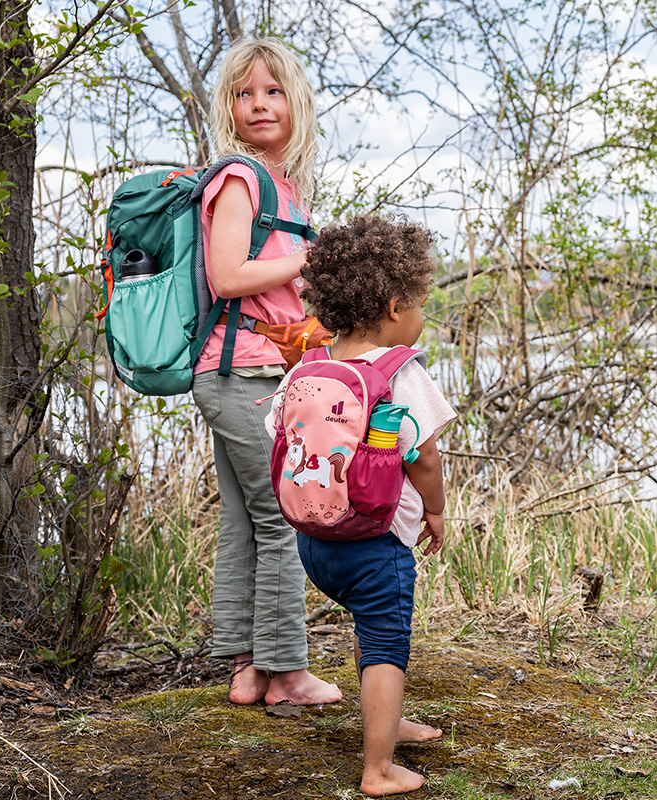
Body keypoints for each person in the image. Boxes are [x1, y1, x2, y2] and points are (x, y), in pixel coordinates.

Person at [266, 215, 457, 796]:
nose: (422, 315)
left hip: (314, 541)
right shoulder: (401, 374)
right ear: (396, 307)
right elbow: (422, 457)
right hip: (376, 546)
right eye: (420, 303)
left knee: (368, 630)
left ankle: (387, 719)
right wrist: (436, 508)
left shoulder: (308, 367)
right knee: (385, 644)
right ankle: (378, 769)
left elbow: (278, 428)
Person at [192, 37, 341, 707]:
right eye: (245, 93)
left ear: (296, 102)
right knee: (285, 516)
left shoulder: (290, 189)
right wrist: (306, 264)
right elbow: (228, 276)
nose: (259, 104)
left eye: (273, 91)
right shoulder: (240, 178)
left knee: (246, 520)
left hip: (264, 372)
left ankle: (248, 670)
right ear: (229, 105)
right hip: (236, 374)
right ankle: (288, 672)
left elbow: (280, 293)